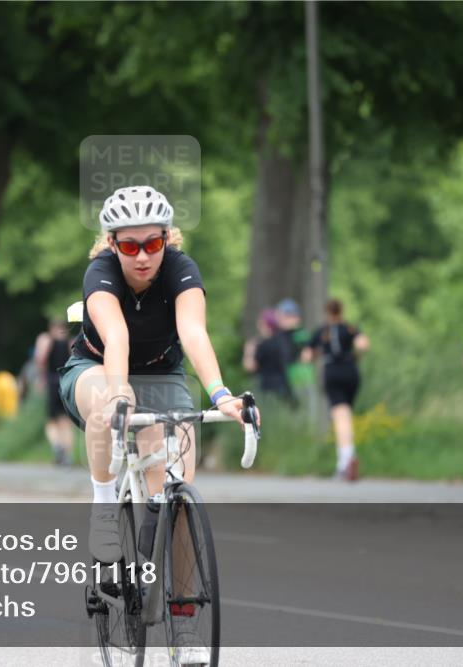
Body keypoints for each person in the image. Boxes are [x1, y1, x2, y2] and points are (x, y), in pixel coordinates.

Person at [57, 185, 258, 665]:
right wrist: (121, 389)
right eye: (130, 246)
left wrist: (222, 395)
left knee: (175, 497)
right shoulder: (100, 273)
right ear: (112, 245)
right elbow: (117, 335)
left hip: (164, 373)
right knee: (107, 400)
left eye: (153, 243)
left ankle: (183, 626)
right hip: (97, 367)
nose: (143, 256)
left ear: (168, 238)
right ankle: (104, 509)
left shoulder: (181, 270)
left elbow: (192, 332)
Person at [302, 299, 369, 481]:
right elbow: (363, 344)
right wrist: (356, 355)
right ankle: (349, 454)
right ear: (341, 311)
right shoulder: (350, 328)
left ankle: (344, 461)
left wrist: (317, 354)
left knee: (340, 417)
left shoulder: (321, 331)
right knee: (347, 414)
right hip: (351, 370)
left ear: (327, 313)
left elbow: (307, 356)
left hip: (332, 371)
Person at [35, 318, 76, 466]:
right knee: (66, 422)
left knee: (51, 421)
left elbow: (41, 360)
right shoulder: (70, 342)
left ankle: (57, 445)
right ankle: (68, 456)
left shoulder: (46, 340)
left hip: (52, 381)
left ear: (51, 327)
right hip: (65, 382)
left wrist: (41, 379)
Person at [243, 308, 297, 408]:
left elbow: (250, 367)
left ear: (266, 325)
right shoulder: (283, 341)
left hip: (268, 389)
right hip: (284, 386)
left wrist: (249, 351)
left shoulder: (263, 345)